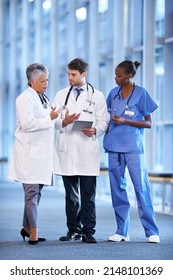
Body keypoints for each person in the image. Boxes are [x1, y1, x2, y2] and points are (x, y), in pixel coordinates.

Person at [103, 60, 160, 243]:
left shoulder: (141, 93)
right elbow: (105, 118)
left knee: (141, 188)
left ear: (129, 76)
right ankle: (122, 231)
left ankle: (151, 232)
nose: (115, 78)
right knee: (117, 190)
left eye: (119, 76)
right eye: (115, 75)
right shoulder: (113, 94)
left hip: (133, 148)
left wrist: (126, 121)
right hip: (113, 147)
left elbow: (149, 123)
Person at [53, 58, 109, 243]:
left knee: (88, 195)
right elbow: (52, 120)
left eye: (73, 74)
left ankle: (88, 231)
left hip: (87, 150)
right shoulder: (61, 95)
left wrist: (95, 130)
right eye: (68, 74)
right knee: (71, 196)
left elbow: (104, 122)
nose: (69, 77)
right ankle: (73, 230)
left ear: (83, 74)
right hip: (67, 149)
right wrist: (65, 121)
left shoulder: (97, 96)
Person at [8, 63, 59, 245]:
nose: (46, 83)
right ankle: (34, 232)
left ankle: (27, 227)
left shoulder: (43, 97)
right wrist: (50, 118)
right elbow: (28, 124)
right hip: (28, 153)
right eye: (42, 80)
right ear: (32, 81)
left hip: (43, 155)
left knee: (37, 193)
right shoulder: (24, 99)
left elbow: (51, 121)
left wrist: (63, 120)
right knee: (31, 193)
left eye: (47, 80)